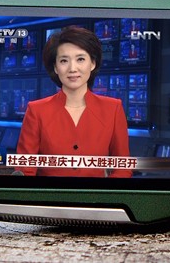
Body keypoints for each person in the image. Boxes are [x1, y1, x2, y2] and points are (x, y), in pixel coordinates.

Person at [16, 26, 131, 177]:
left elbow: (123, 167)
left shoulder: (113, 109)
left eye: (80, 59)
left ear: (93, 63)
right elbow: (25, 169)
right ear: (55, 67)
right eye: (64, 61)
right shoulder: (36, 110)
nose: (72, 68)